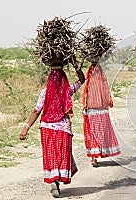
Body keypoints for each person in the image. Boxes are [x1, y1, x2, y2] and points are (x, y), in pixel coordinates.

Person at [19, 58, 85, 198]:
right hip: (63, 128)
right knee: (62, 154)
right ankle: (59, 178)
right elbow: (82, 80)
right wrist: (76, 66)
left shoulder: (45, 92)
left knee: (51, 154)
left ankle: (53, 180)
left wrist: (26, 128)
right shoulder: (67, 90)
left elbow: (36, 111)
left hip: (47, 128)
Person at [82, 60, 121, 167]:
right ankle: (100, 152)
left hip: (90, 108)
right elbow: (105, 87)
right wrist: (107, 102)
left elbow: (86, 87)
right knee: (101, 131)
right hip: (100, 108)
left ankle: (93, 157)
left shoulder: (90, 74)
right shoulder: (101, 74)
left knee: (91, 132)